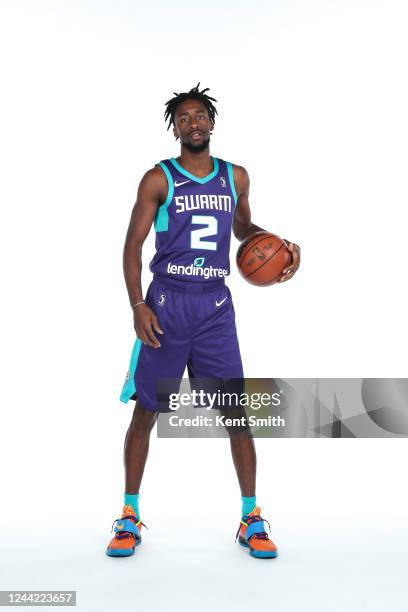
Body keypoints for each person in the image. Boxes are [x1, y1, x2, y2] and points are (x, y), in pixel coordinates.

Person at [106, 83, 301, 559]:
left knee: (236, 412)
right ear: (175, 128)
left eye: (200, 116)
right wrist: (137, 305)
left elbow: (243, 228)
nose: (193, 123)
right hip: (167, 304)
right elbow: (132, 246)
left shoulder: (235, 177)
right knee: (146, 411)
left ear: (211, 122)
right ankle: (129, 514)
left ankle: (251, 518)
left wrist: (276, 245)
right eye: (184, 118)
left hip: (215, 308)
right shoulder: (159, 178)